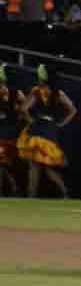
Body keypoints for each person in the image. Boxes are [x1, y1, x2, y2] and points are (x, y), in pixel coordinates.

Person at [19, 65, 76, 199]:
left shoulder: (37, 90)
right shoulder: (58, 93)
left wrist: (31, 121)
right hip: (51, 129)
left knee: (34, 165)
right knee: (46, 166)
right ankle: (65, 192)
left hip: (38, 128)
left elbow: (23, 109)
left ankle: (31, 195)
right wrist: (61, 124)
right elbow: (73, 110)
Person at [0, 65, 22, 196]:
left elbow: (23, 110)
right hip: (11, 132)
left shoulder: (13, 93)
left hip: (6, 133)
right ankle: (13, 188)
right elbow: (23, 110)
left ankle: (13, 188)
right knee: (3, 163)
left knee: (4, 163)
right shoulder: (17, 93)